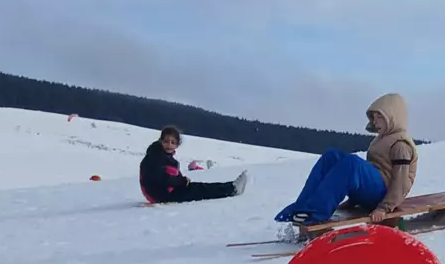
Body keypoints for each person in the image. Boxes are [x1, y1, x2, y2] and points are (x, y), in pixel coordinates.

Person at [274, 93, 419, 226]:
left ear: (393, 116)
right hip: (374, 190)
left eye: (379, 117)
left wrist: (384, 208)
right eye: (373, 118)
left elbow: (400, 183)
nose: (375, 122)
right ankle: (302, 206)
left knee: (352, 163)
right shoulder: (382, 139)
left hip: (384, 196)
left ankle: (315, 212)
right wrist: (353, 201)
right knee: (331, 156)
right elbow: (369, 174)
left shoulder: (401, 144)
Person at [140, 126, 247, 203]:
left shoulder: (166, 158)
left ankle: (231, 186)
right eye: (166, 141)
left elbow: (170, 176)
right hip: (161, 195)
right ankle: (232, 189)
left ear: (177, 145)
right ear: (161, 141)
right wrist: (182, 181)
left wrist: (183, 179)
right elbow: (162, 178)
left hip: (165, 191)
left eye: (173, 142)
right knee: (199, 190)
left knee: (199, 187)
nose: (169, 145)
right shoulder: (155, 156)